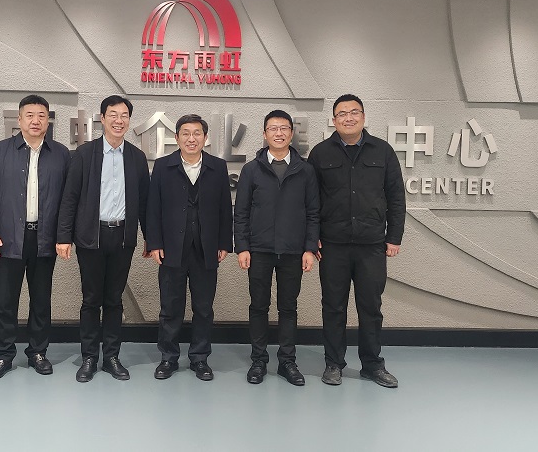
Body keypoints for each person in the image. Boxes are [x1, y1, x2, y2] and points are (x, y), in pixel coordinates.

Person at [308, 94, 406, 388]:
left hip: (371, 245)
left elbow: (396, 197)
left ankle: (372, 365)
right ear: (333, 120)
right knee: (333, 307)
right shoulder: (320, 153)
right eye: (342, 114)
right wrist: (312, 239)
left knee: (371, 307)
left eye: (354, 112)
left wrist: (394, 237)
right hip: (332, 245)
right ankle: (333, 364)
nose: (348, 118)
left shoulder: (383, 151)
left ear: (363, 117)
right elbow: (310, 201)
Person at [56, 95, 150, 383]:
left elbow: (145, 202)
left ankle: (111, 357)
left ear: (129, 120)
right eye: (113, 115)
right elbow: (70, 198)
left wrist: (151, 238)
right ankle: (89, 357)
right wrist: (64, 237)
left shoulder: (136, 157)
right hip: (91, 237)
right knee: (91, 299)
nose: (119, 120)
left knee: (114, 300)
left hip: (122, 237)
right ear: (102, 118)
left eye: (124, 116)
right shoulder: (85, 154)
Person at [0, 95, 71, 381]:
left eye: (41, 115)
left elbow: (69, 200)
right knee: (6, 301)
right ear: (19, 120)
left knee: (41, 300)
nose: (35, 120)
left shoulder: (61, 154)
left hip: (45, 238)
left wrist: (64, 236)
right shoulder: (0, 151)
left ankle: (38, 352)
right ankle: (3, 355)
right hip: (8, 239)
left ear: (48, 121)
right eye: (29, 115)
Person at [234, 110, 319, 386]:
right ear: (264, 134)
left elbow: (313, 212)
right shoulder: (252, 169)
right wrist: (242, 247)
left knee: (288, 308)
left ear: (291, 133)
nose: (279, 133)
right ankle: (258, 361)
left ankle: (287, 362)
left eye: (284, 128)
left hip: (293, 251)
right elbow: (241, 212)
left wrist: (309, 248)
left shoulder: (305, 170)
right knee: (258, 306)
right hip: (259, 250)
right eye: (273, 128)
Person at [146, 114, 233, 382]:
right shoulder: (163, 166)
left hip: (206, 247)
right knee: (170, 307)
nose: (191, 138)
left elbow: (224, 207)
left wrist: (224, 243)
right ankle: (168, 358)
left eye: (197, 133)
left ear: (205, 138)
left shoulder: (218, 167)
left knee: (203, 307)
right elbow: (153, 207)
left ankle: (200, 358)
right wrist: (154, 243)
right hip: (171, 247)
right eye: (185, 133)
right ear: (176, 138)